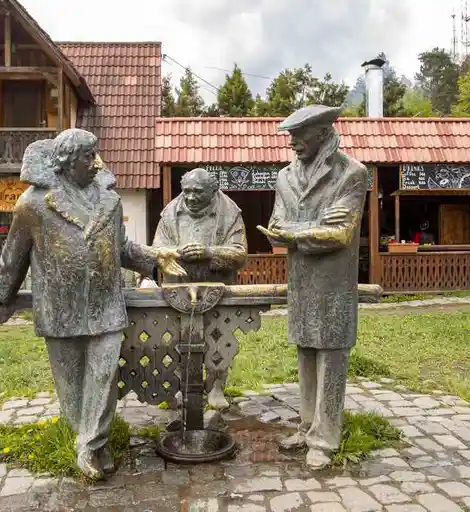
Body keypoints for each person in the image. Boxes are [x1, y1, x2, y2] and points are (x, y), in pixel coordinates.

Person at [0, 129, 186, 480]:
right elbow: (13, 258)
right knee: (72, 387)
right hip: (60, 310)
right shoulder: (33, 204)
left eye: (96, 154)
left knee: (104, 377)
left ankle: (91, 445)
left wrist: (156, 257)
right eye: (88, 156)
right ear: (66, 162)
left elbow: (122, 249)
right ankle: (83, 440)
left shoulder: (110, 200)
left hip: (105, 306)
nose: (97, 162)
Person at [258, 104, 367, 470]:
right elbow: (276, 225)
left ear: (323, 133)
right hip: (302, 282)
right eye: (290, 135)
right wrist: (305, 230)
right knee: (305, 354)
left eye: (299, 135)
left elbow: (339, 233)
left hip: (334, 284)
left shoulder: (351, 174)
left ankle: (325, 438)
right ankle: (306, 426)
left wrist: (295, 232)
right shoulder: (285, 177)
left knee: (331, 358)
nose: (293, 143)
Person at [152, 168, 247, 409]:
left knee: (219, 339)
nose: (191, 198)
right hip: (178, 289)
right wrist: (175, 252)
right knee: (179, 340)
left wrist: (208, 253)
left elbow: (239, 254)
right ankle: (184, 386)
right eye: (187, 192)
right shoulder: (170, 213)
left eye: (198, 192)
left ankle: (216, 387)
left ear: (214, 191)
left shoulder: (230, 212)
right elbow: (157, 250)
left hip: (218, 289)